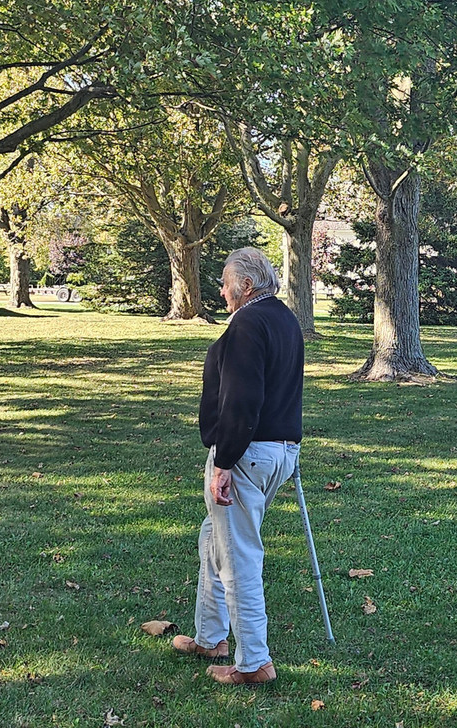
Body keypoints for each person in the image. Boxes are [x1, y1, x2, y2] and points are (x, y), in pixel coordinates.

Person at [172, 247, 304, 685]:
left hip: (248, 453)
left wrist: (224, 460)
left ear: (246, 285)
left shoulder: (248, 322)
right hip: (279, 450)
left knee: (237, 556)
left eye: (226, 282)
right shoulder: (283, 318)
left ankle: (254, 663)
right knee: (214, 540)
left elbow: (242, 398)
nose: (222, 290)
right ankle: (210, 638)